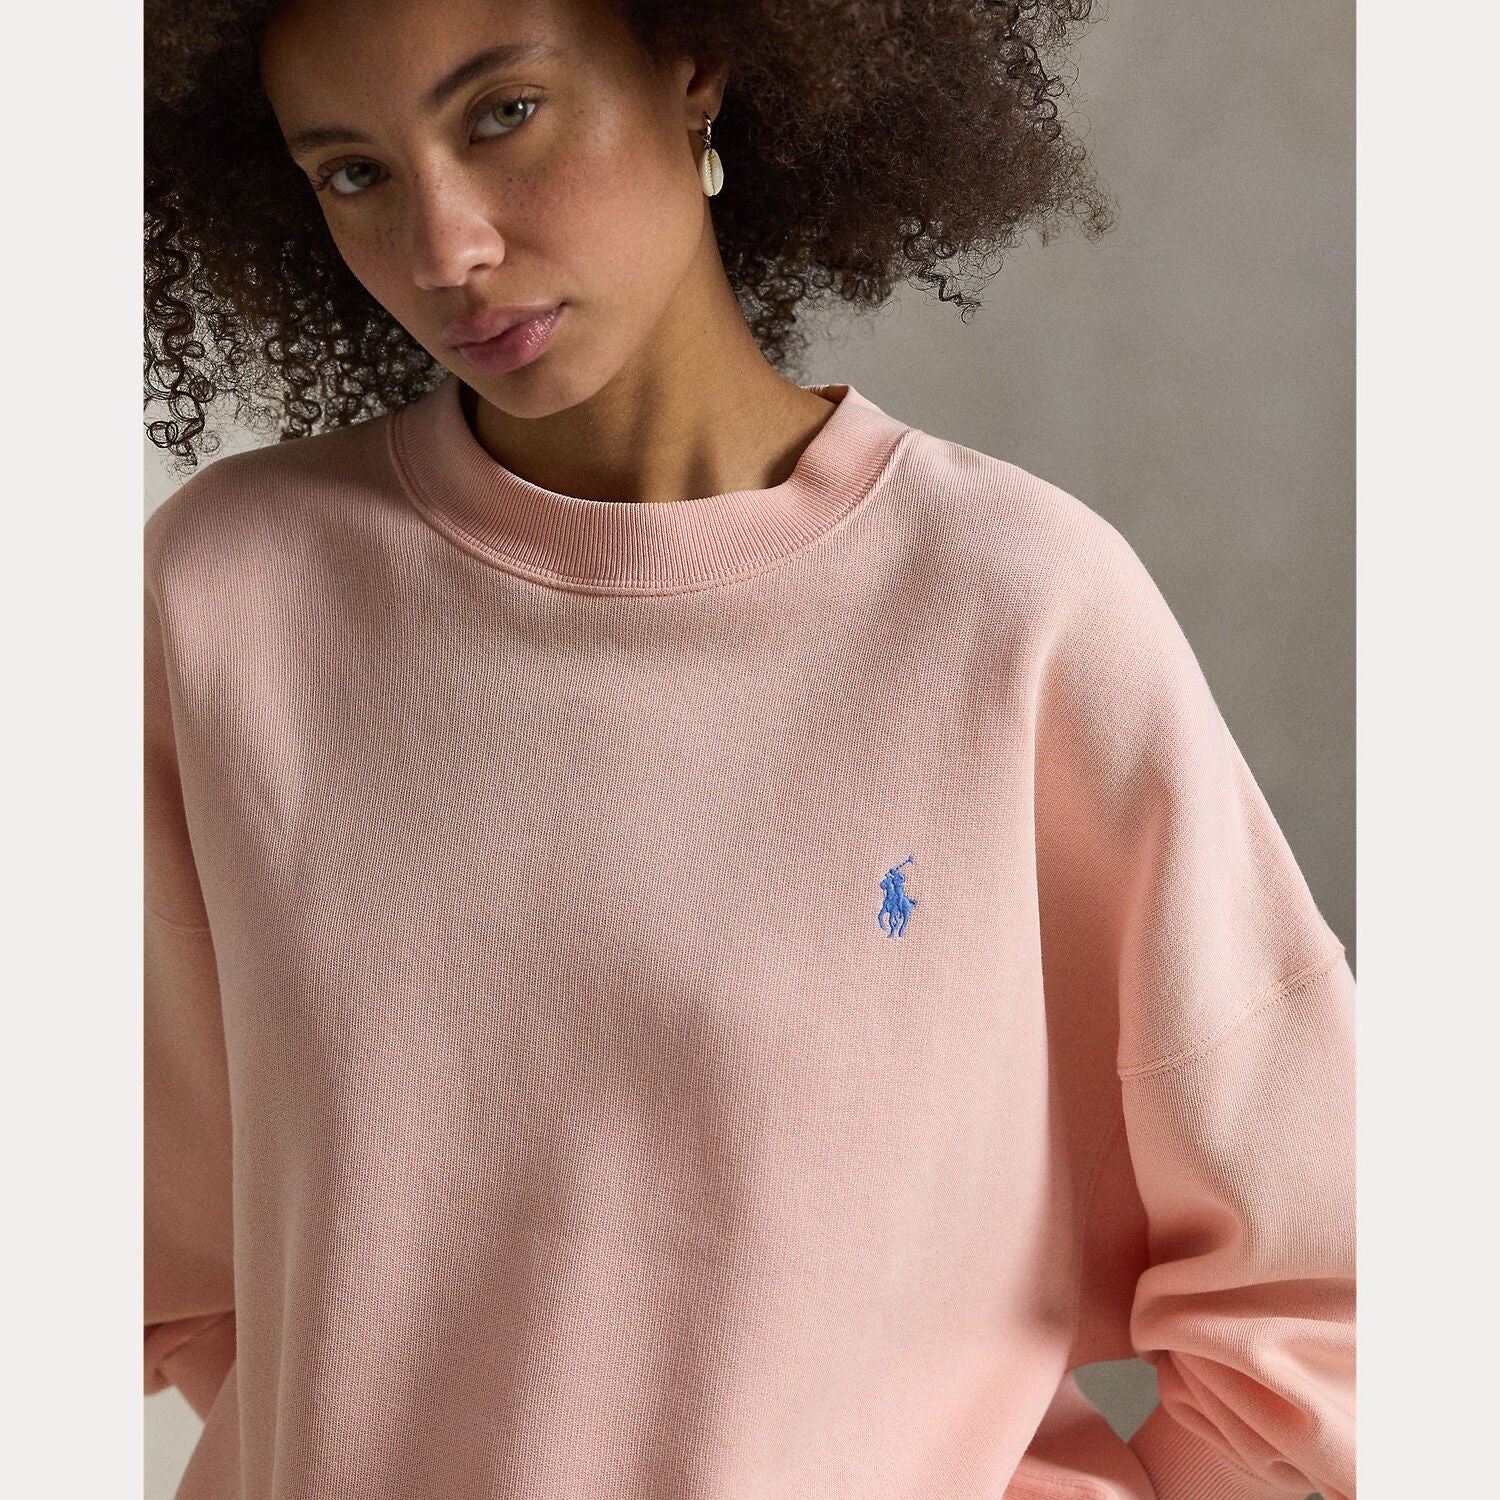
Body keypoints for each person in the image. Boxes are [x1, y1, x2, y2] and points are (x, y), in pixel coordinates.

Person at [143, 1, 1356, 1497]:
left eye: (504, 114)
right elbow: (162, 1253)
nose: (444, 245)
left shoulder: (1014, 608)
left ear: (695, 64)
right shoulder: (225, 599)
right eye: (353, 172)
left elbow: (1319, 1299)